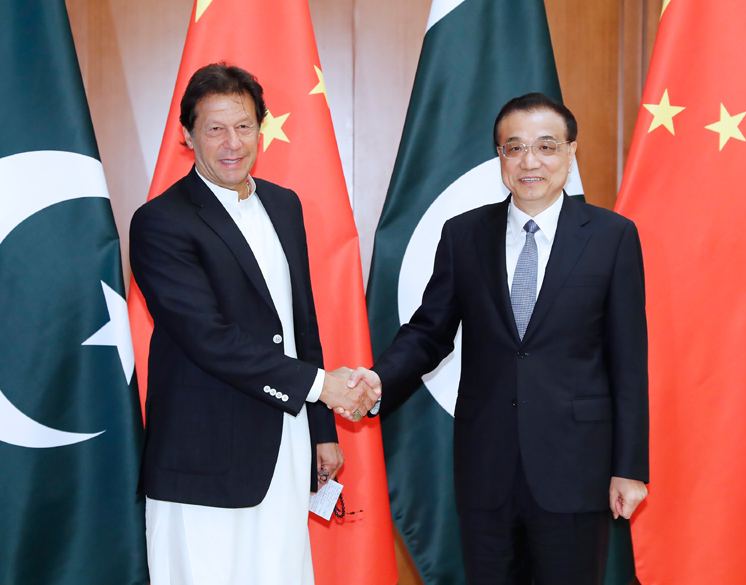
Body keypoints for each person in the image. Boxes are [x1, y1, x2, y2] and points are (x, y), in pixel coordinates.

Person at [350, 93, 648, 584]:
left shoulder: (612, 236)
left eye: (546, 146)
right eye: (515, 147)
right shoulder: (464, 234)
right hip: (486, 467)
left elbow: (629, 360)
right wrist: (379, 380)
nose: (530, 161)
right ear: (500, 157)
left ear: (570, 152)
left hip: (575, 467)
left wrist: (630, 467)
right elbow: (429, 332)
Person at [129, 63, 377, 585]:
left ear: (260, 129)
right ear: (187, 135)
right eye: (215, 128)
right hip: (203, 457)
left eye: (244, 126)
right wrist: (322, 387)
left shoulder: (284, 205)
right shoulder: (159, 221)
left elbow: (300, 323)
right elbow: (208, 338)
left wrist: (321, 429)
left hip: (286, 443)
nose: (232, 143)